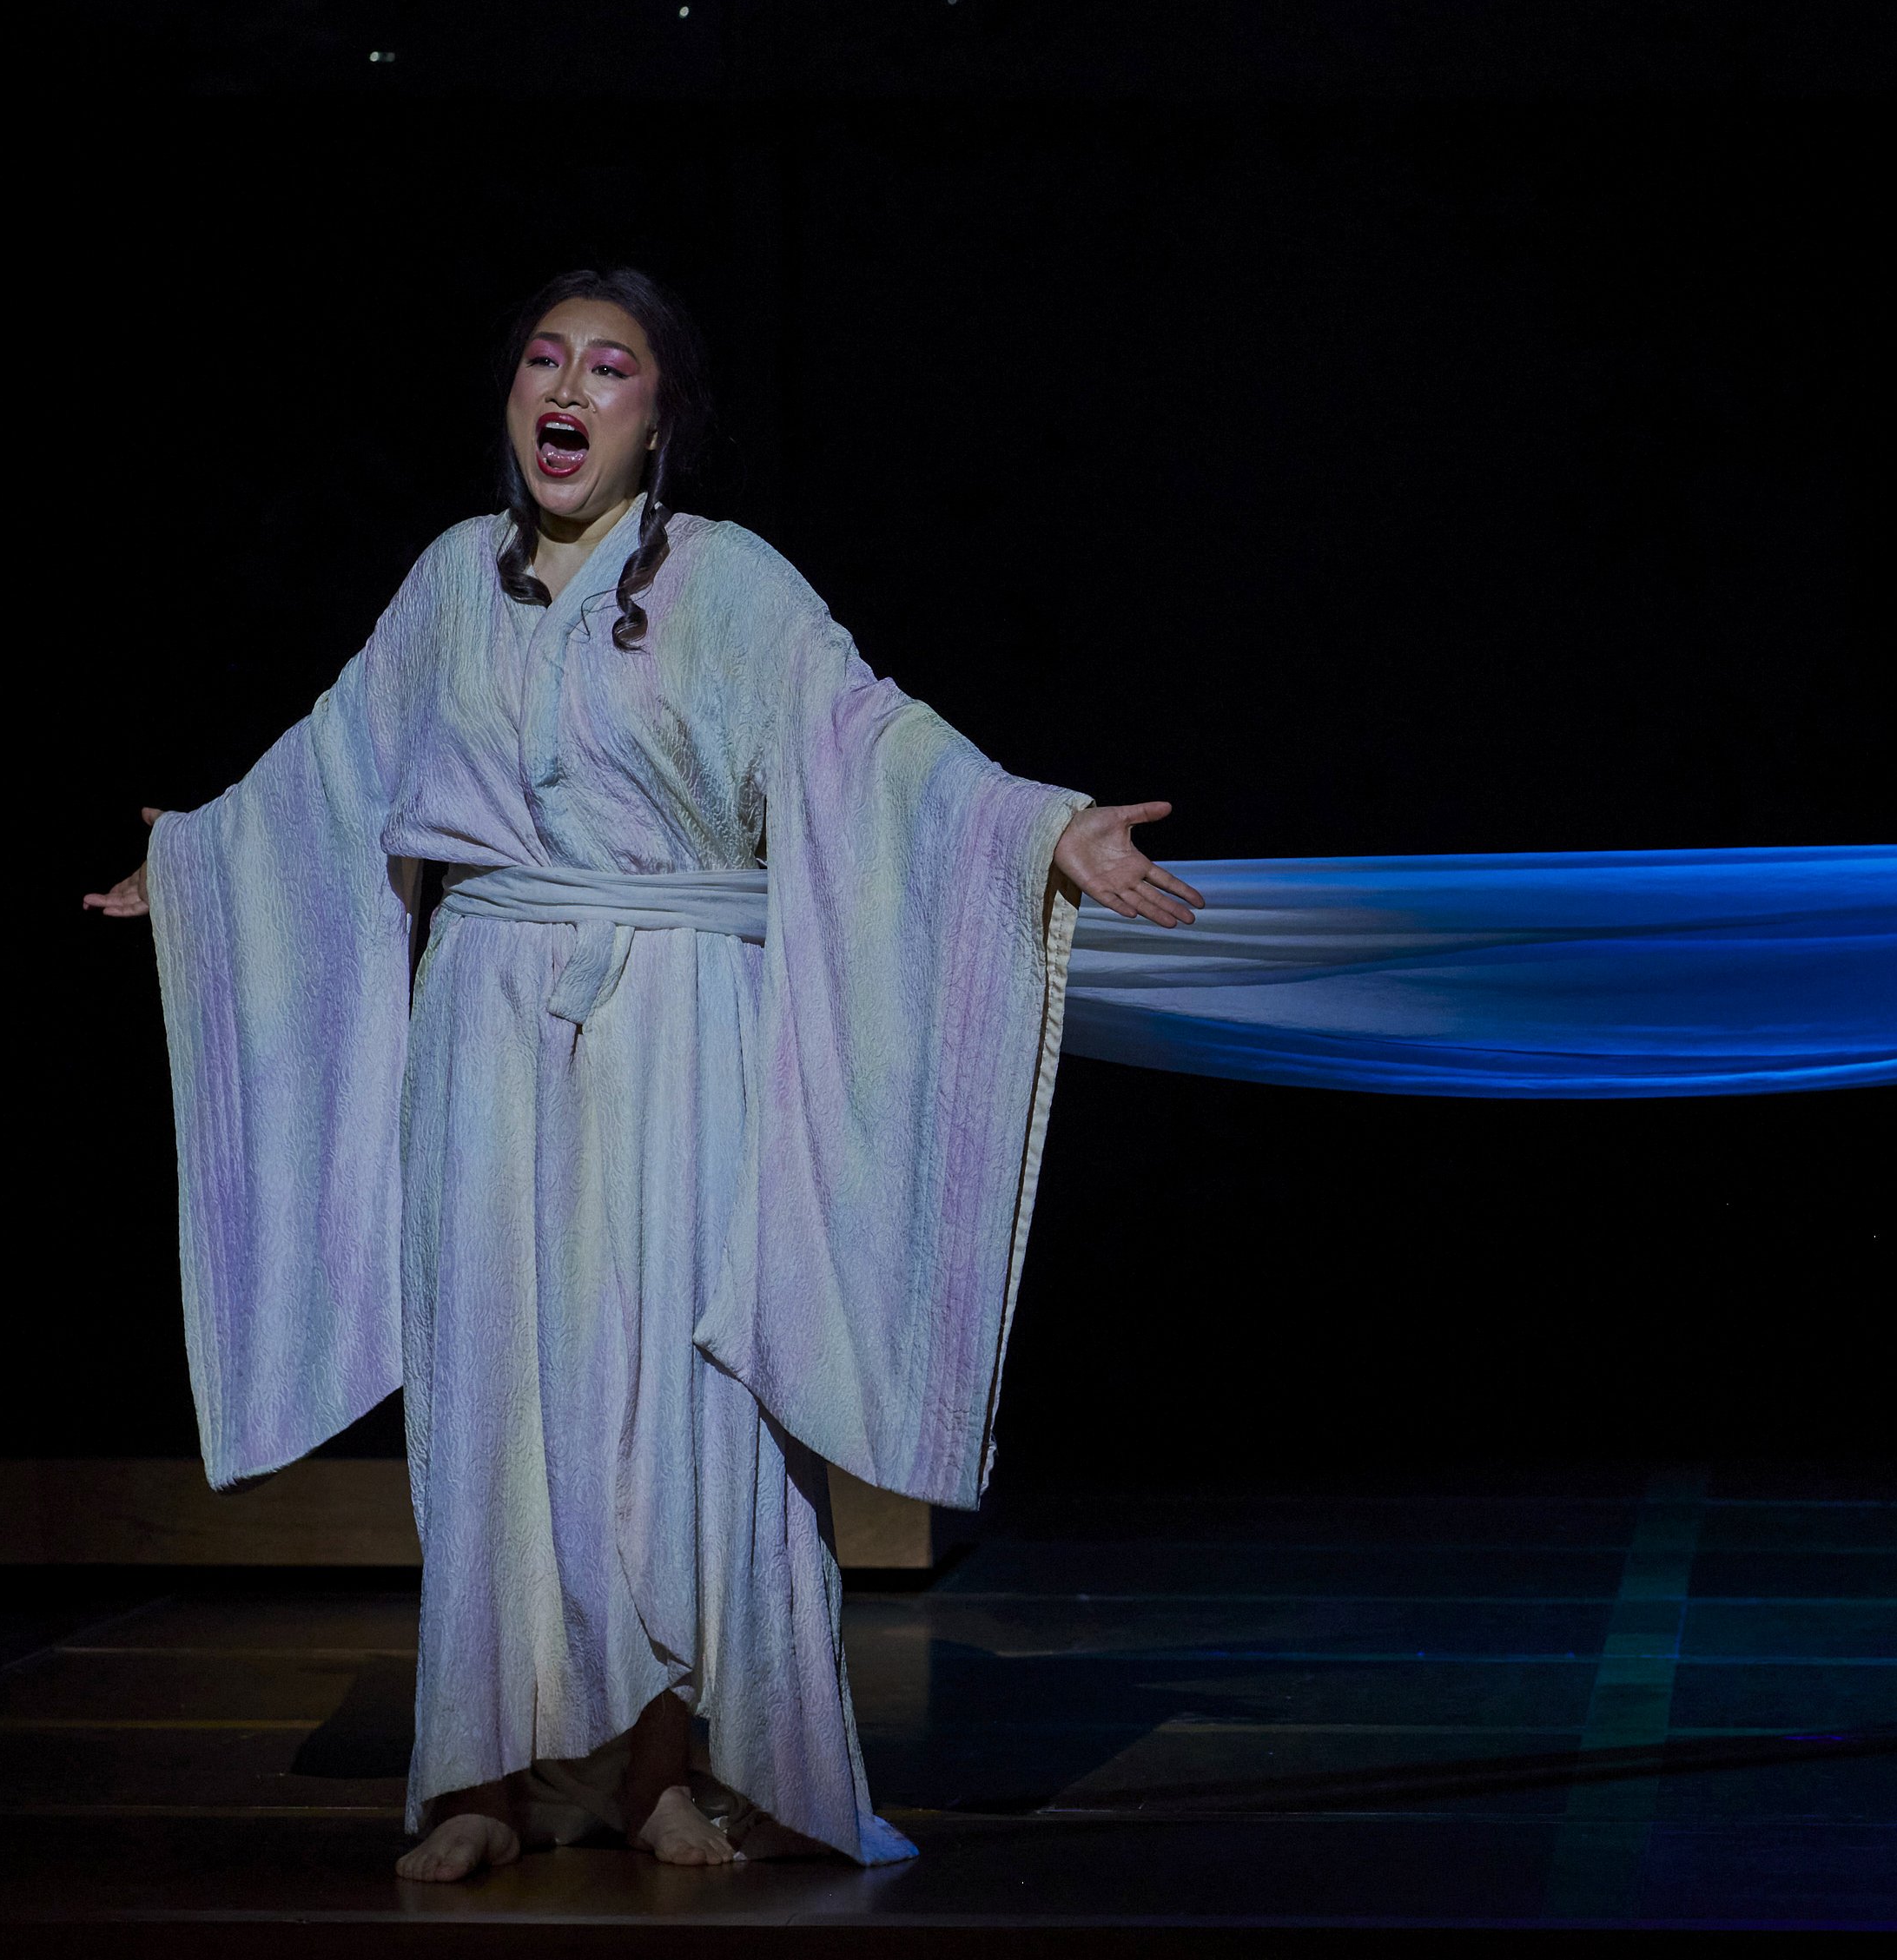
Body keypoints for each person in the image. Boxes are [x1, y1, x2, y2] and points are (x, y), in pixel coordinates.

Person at [84, 269, 1195, 1878]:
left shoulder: (730, 582)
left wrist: (1042, 827)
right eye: (546, 358)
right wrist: (203, 872)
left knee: (676, 1402)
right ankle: (478, 1779)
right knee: (496, 1400)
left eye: (611, 367)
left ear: (658, 416)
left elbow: (864, 739)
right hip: (488, 1031)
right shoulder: (451, 582)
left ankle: (669, 1764)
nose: (570, 387)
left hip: (683, 1032)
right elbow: (337, 765)